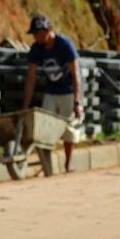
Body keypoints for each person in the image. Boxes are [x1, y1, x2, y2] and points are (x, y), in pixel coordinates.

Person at [22, 14, 84, 171]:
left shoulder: (65, 45)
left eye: (37, 33)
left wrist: (77, 102)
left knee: (68, 128)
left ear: (48, 30)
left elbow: (76, 75)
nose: (35, 37)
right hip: (51, 91)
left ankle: (68, 163)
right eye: (34, 34)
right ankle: (47, 166)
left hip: (68, 91)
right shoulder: (36, 49)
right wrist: (25, 106)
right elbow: (31, 79)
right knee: (46, 129)